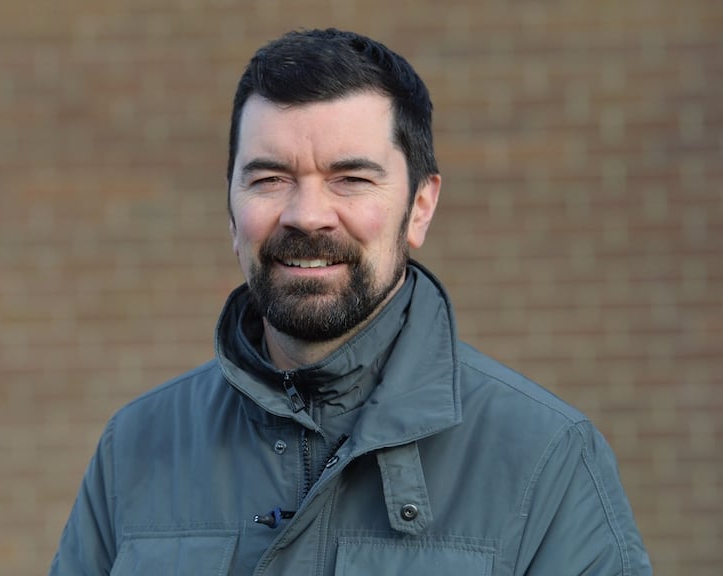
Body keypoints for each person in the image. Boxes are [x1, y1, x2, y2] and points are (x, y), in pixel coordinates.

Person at [49, 28, 652, 575]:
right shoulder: (134, 449)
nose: (306, 215)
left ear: (420, 207)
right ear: (230, 210)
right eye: (268, 178)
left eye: (351, 179)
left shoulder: (546, 459)